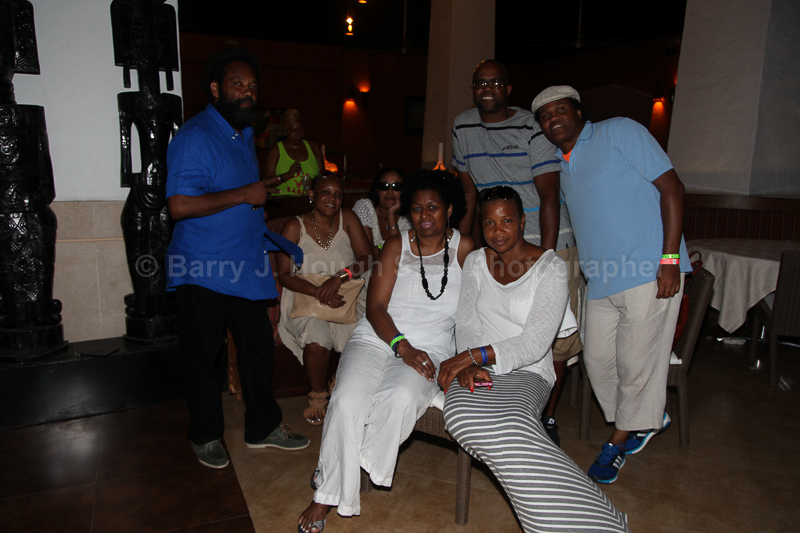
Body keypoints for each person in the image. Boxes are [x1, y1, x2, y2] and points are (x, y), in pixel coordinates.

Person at [437, 186, 631, 532]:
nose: (498, 231)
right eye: (489, 223)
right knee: (461, 415)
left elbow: (536, 343)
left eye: (507, 221)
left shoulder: (550, 267)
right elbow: (467, 322)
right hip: (478, 368)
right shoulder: (477, 261)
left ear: (523, 221)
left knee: (510, 425)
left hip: (529, 371)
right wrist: (472, 363)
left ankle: (591, 522)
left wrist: (474, 356)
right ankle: (574, 515)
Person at [297, 170, 475, 533]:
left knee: (400, 399)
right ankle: (325, 496)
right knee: (346, 399)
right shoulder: (396, 245)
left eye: (433, 207)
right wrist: (402, 346)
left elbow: (475, 311)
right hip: (378, 337)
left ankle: (341, 467)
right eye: (417, 208)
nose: (424, 216)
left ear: (449, 210)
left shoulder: (465, 249)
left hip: (432, 346)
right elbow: (376, 307)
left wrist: (469, 357)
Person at [532, 85, 690, 484]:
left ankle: (618, 441)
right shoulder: (561, 164)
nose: (553, 119)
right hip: (601, 280)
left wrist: (670, 259)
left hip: (648, 271)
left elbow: (672, 188)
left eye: (560, 109)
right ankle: (646, 416)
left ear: (578, 112)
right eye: (545, 116)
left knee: (636, 364)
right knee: (598, 361)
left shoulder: (620, 131)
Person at [166, 48, 309, 470]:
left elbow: (240, 197)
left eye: (253, 86)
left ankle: (262, 427)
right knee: (203, 357)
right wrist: (245, 193)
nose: (248, 92)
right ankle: (206, 434)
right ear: (215, 88)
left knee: (258, 350)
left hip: (244, 266)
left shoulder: (243, 135)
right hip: (203, 267)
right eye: (238, 84)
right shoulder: (195, 136)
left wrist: (258, 192)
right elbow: (179, 205)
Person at [451, 59, 582, 446]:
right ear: (472, 89)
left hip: (547, 240)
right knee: (491, 321)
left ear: (508, 89)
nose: (487, 89)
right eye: (480, 83)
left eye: (496, 82)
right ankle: (501, 394)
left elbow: (548, 195)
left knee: (553, 342)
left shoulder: (530, 126)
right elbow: (469, 193)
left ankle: (547, 417)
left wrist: (545, 260)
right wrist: (464, 245)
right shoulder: (462, 126)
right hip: (495, 239)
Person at [276, 171, 373, 425]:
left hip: (346, 297)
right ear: (311, 195)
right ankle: (318, 397)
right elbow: (284, 274)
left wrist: (339, 278)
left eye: (338, 194)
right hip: (306, 299)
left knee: (362, 342)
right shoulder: (294, 226)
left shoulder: (347, 218)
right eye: (326, 192)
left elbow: (367, 257)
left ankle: (340, 384)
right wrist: (319, 292)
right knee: (317, 342)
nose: (333, 199)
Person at [352, 166, 412, 257]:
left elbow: (399, 254)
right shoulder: (364, 207)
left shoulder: (408, 219)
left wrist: (391, 214)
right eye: (384, 186)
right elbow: (367, 253)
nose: (390, 191)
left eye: (397, 186)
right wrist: (387, 250)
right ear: (377, 190)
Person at [264, 109, 325, 196]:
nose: (297, 134)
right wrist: (287, 175)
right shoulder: (276, 150)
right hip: (283, 202)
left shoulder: (314, 148)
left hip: (308, 201)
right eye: (293, 131)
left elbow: (323, 178)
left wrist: (314, 182)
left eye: (300, 130)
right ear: (286, 131)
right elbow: (267, 182)